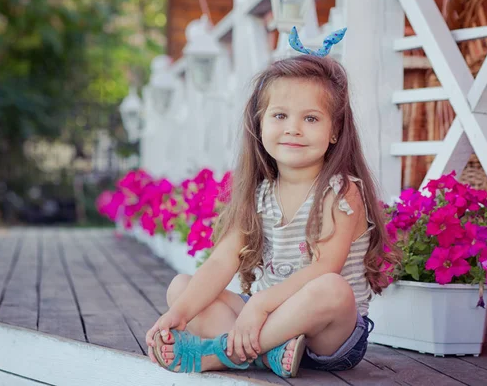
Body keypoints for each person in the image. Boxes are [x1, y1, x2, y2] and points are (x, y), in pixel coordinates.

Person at [145, 27, 399, 378]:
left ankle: (220, 354)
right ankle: (267, 353)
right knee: (182, 289)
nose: (293, 128)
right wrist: (179, 314)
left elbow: (325, 267)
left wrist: (260, 306)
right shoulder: (257, 193)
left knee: (332, 287)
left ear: (334, 130)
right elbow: (221, 261)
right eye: (280, 116)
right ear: (260, 123)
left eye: (310, 118)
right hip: (265, 321)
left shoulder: (341, 192)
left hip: (329, 337)